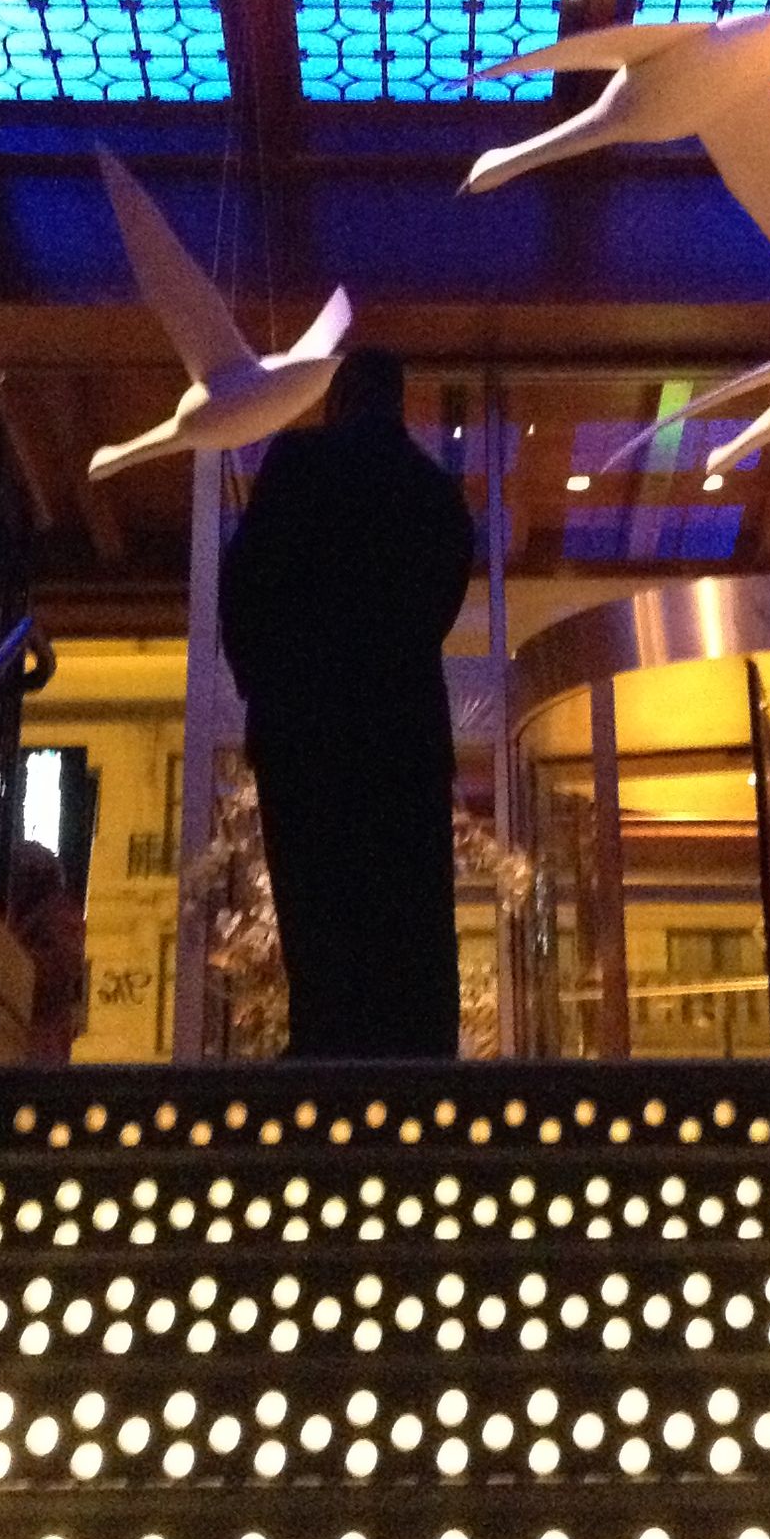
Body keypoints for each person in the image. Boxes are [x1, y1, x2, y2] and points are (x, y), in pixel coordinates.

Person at [220, 348, 475, 1058]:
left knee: (319, 897)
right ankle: (418, 1056)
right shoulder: (435, 493)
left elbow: (246, 580)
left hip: (306, 727)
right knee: (407, 902)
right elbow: (441, 603)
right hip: (403, 733)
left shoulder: (298, 463)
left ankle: (325, 1046)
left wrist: (261, 682)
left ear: (339, 398)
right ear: (399, 401)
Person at [7, 839, 90, 1063]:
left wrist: (6, 958)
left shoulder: (59, 918)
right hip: (28, 1041)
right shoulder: (46, 916)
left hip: (36, 1044)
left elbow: (55, 973)